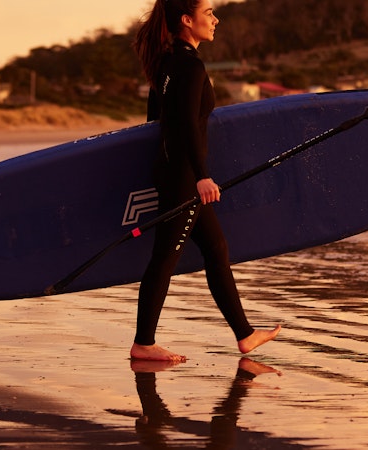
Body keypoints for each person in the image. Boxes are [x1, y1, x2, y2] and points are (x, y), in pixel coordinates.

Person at [130, 0, 280, 362]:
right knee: (164, 257)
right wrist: (201, 177)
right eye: (208, 13)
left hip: (172, 172)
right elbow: (183, 127)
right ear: (187, 20)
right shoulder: (190, 66)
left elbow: (155, 123)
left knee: (216, 249)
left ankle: (244, 335)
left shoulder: (166, 64)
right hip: (184, 178)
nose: (215, 19)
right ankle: (143, 343)